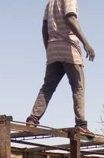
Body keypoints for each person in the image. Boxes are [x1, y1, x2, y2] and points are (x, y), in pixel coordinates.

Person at [26, 0, 95, 137]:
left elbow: (44, 27)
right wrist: (86, 43)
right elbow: (70, 17)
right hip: (69, 48)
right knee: (78, 87)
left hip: (53, 49)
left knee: (47, 88)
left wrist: (49, 49)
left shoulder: (50, 2)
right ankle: (81, 124)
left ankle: (32, 119)